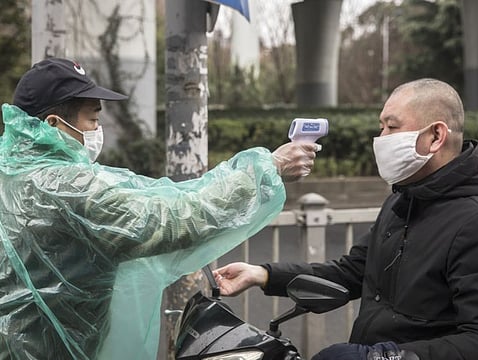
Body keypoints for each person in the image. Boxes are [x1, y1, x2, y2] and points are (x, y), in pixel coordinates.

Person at [0, 57, 319, 360]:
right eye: (93, 119)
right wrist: (265, 171)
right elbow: (172, 219)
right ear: (54, 124)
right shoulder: (63, 187)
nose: (98, 130)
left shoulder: (12, 174)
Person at [214, 78, 478, 360]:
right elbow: (351, 273)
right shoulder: (402, 200)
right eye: (381, 127)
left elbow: (475, 340)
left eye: (392, 126)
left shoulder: (472, 220)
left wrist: (382, 357)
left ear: (436, 136)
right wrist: (263, 274)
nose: (381, 138)